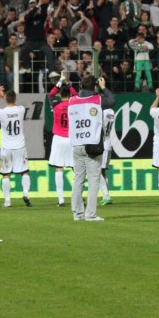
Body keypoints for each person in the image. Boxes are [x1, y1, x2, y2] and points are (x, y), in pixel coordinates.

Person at [68, 75, 115, 221]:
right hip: (92, 145)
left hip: (76, 144)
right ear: (94, 86)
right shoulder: (97, 100)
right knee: (94, 180)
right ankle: (90, 214)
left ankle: (77, 214)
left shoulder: (72, 101)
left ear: (81, 85)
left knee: (78, 180)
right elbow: (112, 100)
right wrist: (103, 87)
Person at [0, 85, 31, 208]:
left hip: (6, 147)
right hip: (20, 146)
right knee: (24, 172)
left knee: (6, 174)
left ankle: (7, 201)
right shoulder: (21, 110)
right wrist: (5, 97)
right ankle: (26, 194)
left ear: (5, 98)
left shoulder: (2, 112)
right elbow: (14, 104)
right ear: (15, 98)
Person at [48, 72, 76, 207]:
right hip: (71, 138)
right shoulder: (74, 104)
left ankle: (61, 200)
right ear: (69, 95)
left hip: (59, 138)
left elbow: (50, 95)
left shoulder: (56, 104)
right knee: (75, 168)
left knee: (59, 168)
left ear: (60, 95)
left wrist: (60, 81)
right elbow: (76, 95)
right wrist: (69, 84)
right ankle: (76, 196)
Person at [98, 106, 116, 205]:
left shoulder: (102, 113)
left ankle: (106, 196)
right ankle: (105, 195)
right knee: (102, 171)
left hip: (102, 144)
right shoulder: (111, 112)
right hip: (108, 143)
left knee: (98, 171)